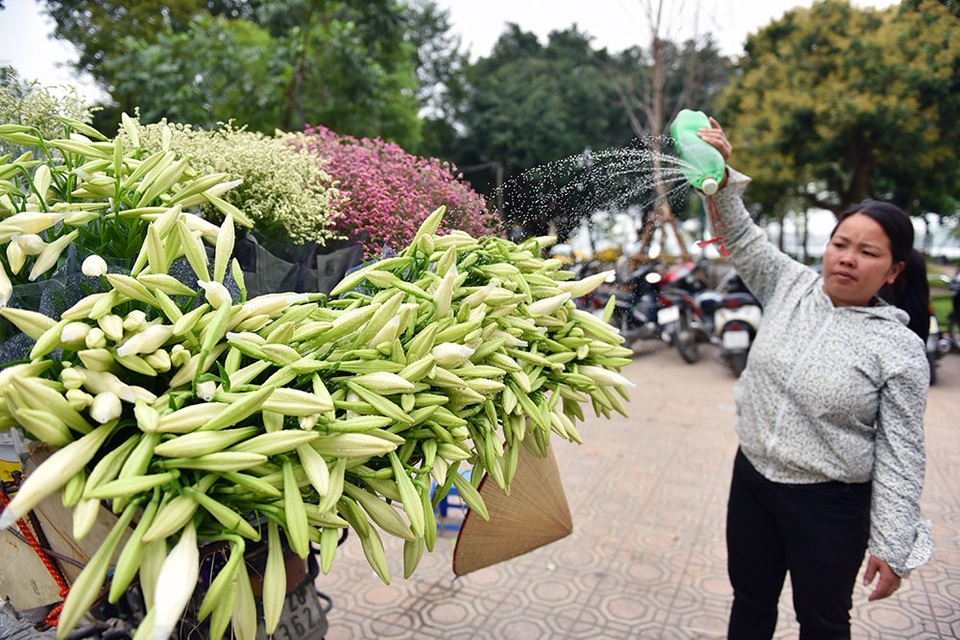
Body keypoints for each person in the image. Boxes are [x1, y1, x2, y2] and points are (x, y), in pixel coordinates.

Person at [695, 118, 932, 639]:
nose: (847, 259)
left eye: (868, 253)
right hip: (753, 479)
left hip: (828, 505)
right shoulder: (789, 284)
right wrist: (721, 168)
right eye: (840, 244)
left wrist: (894, 545)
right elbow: (740, 232)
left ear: (893, 271)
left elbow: (901, 453)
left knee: (822, 620)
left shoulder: (898, 349)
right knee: (750, 602)